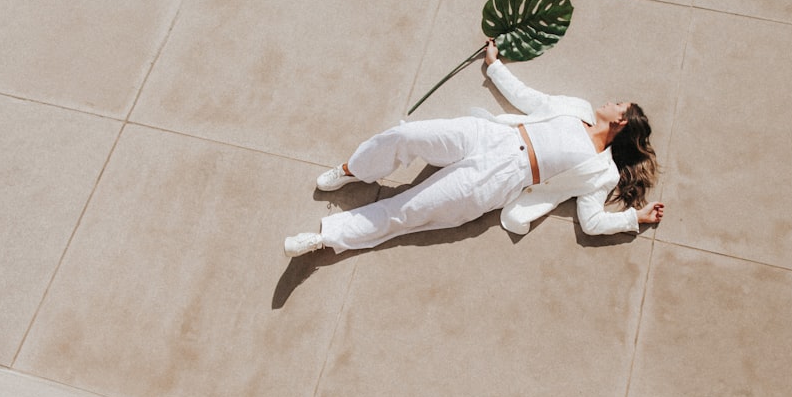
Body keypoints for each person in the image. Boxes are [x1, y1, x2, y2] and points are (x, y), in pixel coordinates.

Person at [284, 38, 665, 257]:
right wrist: (495, 66)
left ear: (621, 122)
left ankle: (323, 238)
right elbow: (531, 99)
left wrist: (635, 218)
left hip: (500, 179)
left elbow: (592, 221)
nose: (612, 101)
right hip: (492, 136)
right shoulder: (577, 108)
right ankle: (353, 170)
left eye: (619, 104)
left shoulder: (602, 171)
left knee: (410, 211)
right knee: (409, 135)